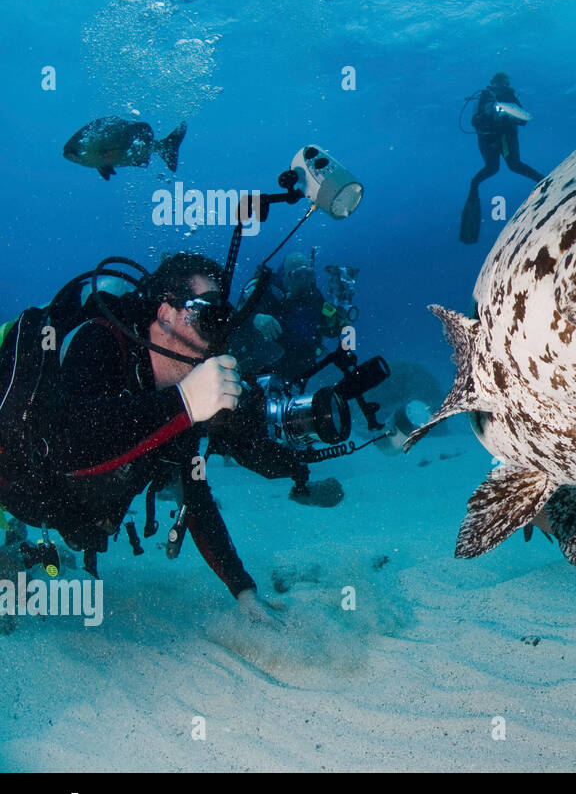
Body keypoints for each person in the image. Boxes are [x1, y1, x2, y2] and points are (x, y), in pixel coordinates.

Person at [0, 254, 289, 621]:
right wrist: (183, 403)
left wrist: (243, 591)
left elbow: (195, 494)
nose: (217, 335)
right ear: (165, 313)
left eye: (221, 322)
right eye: (207, 316)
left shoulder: (179, 397)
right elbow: (65, 445)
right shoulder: (100, 341)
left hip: (51, 507)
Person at [232, 251, 345, 382]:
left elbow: (327, 328)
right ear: (284, 276)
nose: (304, 280)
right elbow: (236, 322)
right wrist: (256, 318)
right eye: (297, 275)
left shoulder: (313, 295)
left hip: (298, 370)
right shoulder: (266, 291)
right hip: (259, 370)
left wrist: (336, 323)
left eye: (308, 274)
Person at [460, 72, 544, 244]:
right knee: (493, 167)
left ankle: (542, 180)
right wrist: (487, 113)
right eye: (499, 84)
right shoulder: (482, 97)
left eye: (503, 84)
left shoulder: (510, 97)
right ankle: (541, 180)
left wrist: (508, 115)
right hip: (488, 138)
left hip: (506, 136)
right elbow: (473, 122)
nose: (501, 87)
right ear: (492, 84)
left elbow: (523, 118)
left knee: (513, 165)